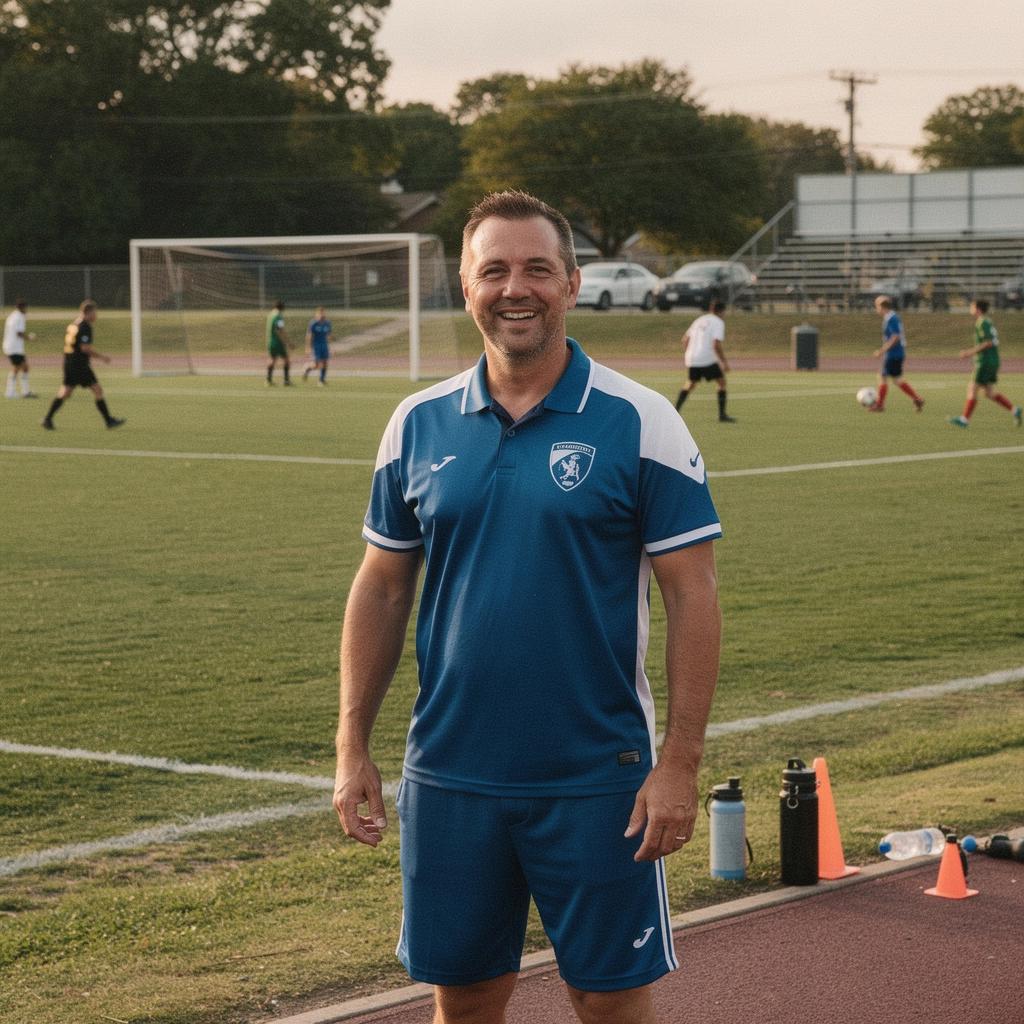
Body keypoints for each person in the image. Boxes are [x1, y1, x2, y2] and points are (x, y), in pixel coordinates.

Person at [333, 190, 723, 1024]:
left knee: (607, 1000)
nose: (517, 288)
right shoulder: (415, 424)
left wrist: (680, 762)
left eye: (538, 269)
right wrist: (350, 743)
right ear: (466, 290)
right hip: (450, 775)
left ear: (573, 283)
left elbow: (693, 595)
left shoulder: (642, 422)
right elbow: (383, 584)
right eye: (495, 270)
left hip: (597, 778)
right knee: (465, 999)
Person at [41, 300, 124, 430]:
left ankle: (47, 419)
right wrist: (102, 358)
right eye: (94, 313)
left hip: (69, 362)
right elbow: (85, 348)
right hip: (79, 365)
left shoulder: (74, 324)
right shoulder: (85, 327)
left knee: (66, 392)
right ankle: (109, 421)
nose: (96, 316)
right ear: (88, 312)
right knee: (97, 390)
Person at [948, 299, 1022, 428]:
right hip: (993, 359)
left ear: (978, 309)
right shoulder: (987, 321)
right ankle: (1015, 410)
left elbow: (988, 342)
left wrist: (969, 352)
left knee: (972, 388)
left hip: (986, 361)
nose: (970, 308)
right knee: (989, 392)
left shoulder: (982, 322)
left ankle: (964, 420)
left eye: (972, 306)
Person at [674, 300, 735, 422]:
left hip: (692, 358)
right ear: (721, 311)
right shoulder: (718, 322)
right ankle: (722, 415)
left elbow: (685, 339)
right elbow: (716, 344)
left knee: (690, 384)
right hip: (706, 358)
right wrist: (724, 362)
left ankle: (675, 411)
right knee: (721, 383)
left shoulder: (700, 320)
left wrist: (689, 354)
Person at [870, 296, 924, 413]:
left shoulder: (891, 318)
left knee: (882, 377)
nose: (876, 309)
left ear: (882, 307)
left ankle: (879, 405)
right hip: (897, 353)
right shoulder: (891, 317)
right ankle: (917, 398)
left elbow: (895, 337)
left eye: (877, 306)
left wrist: (882, 351)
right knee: (897, 379)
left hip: (893, 353)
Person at [4, 298, 36, 398]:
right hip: (14, 348)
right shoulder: (19, 317)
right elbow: (19, 333)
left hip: (11, 347)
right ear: (22, 307)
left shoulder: (13, 316)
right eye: (26, 308)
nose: (26, 310)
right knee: (17, 368)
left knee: (24, 367)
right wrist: (30, 338)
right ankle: (10, 392)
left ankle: (24, 391)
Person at [302, 306, 333, 385]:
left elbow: (329, 335)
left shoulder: (327, 323)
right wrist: (308, 347)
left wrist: (330, 347)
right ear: (316, 315)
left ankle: (321, 380)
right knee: (316, 364)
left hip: (324, 345)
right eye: (320, 314)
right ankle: (307, 368)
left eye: (323, 313)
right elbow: (309, 336)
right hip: (316, 346)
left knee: (325, 362)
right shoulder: (313, 323)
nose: (322, 315)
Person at [265, 300, 291, 385]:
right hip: (278, 342)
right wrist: (287, 342)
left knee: (272, 360)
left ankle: (268, 380)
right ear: (282, 308)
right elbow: (279, 330)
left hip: (270, 340)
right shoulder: (278, 316)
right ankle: (286, 380)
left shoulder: (270, 314)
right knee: (286, 360)